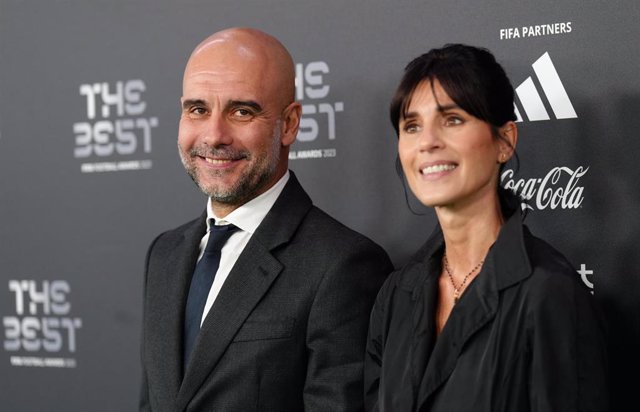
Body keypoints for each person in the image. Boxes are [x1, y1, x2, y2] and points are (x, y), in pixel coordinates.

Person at [140, 27, 393, 412]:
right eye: (198, 110)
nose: (214, 135)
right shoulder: (164, 254)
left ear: (290, 124)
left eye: (242, 111)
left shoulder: (342, 265)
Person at [364, 44, 609, 411]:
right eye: (411, 125)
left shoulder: (549, 293)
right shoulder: (396, 295)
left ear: (505, 141)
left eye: (452, 120)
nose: (428, 142)